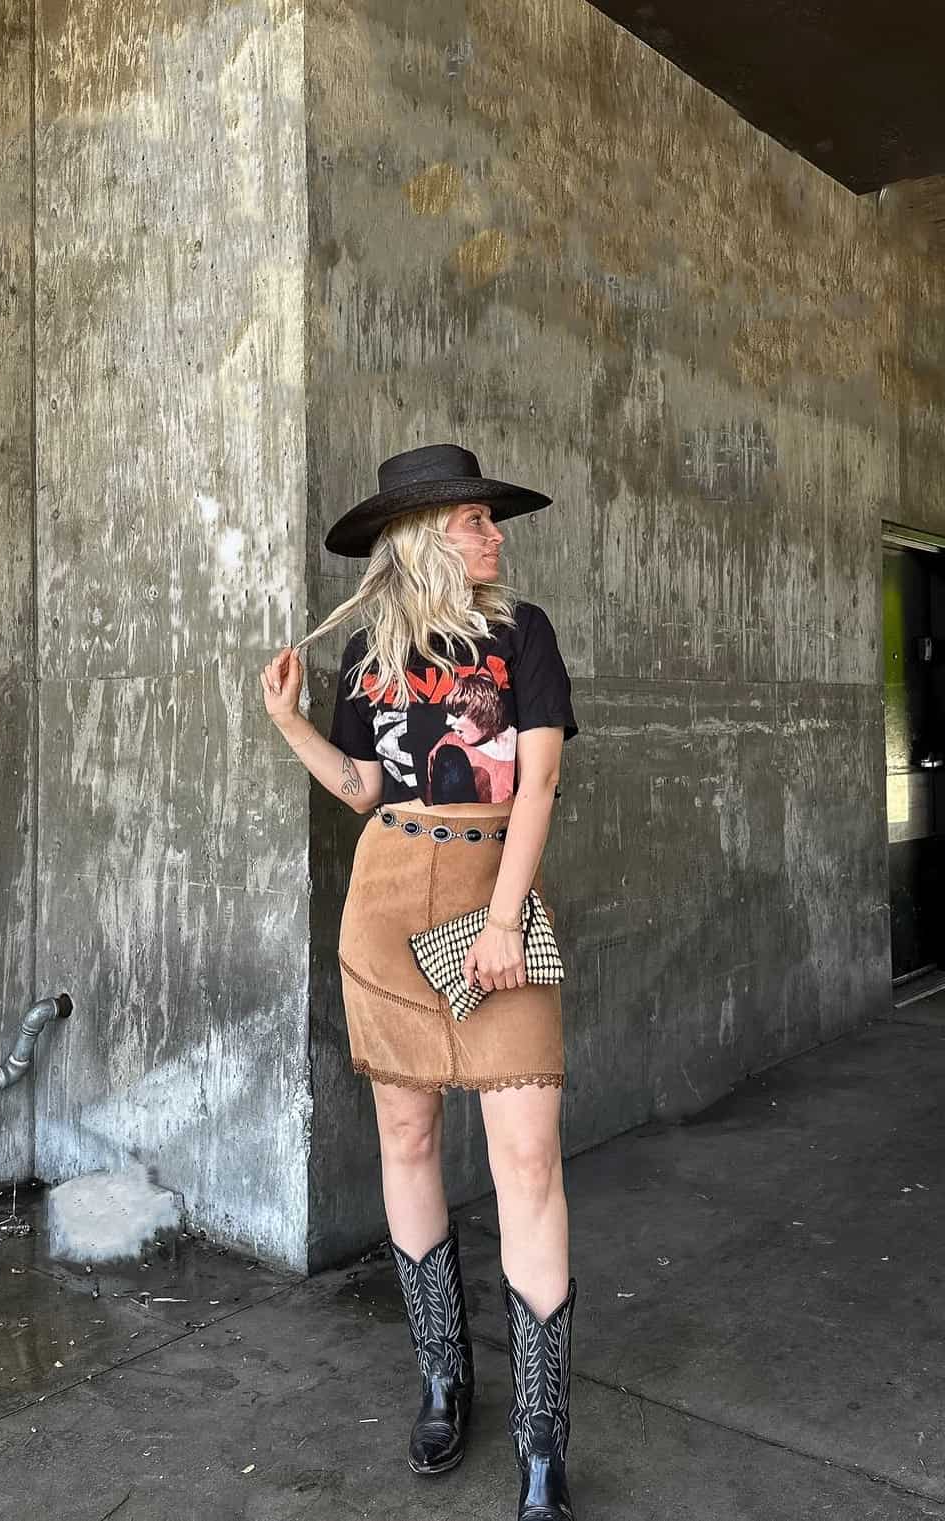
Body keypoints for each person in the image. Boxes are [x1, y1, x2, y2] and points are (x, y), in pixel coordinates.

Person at [260, 443, 581, 1521]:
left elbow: (535, 782)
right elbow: (360, 787)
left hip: (493, 896)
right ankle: (444, 1377)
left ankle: (542, 1437)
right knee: (403, 1137)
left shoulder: (519, 633)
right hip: (388, 897)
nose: (493, 534)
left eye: (492, 519)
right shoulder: (365, 655)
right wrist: (293, 723)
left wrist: (500, 919)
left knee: (525, 1158)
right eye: (473, 520)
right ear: (420, 536)